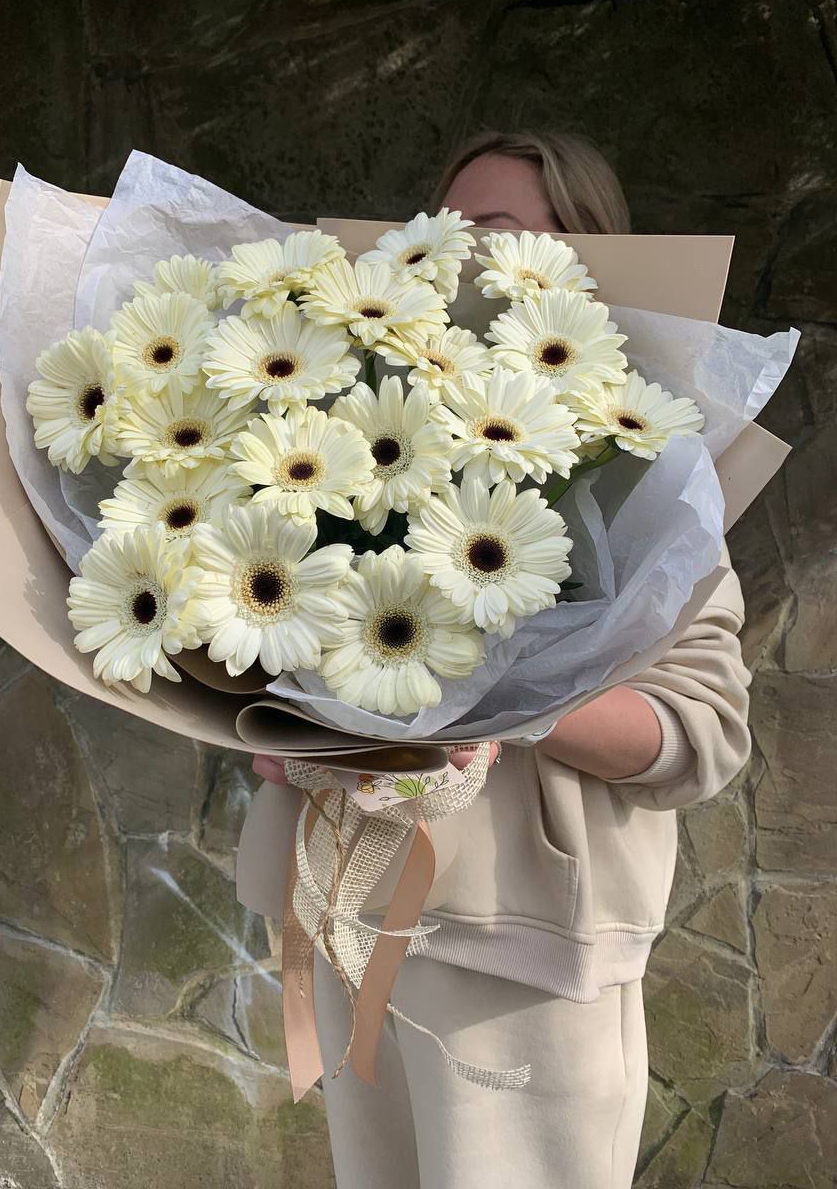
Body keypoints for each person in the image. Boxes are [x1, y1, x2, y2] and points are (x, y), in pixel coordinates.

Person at [237, 130, 751, 1189]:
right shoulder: (348, 445)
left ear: (583, 261)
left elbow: (701, 736)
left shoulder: (653, 481)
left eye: (494, 232)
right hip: (356, 931)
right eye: (442, 232)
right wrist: (295, 719)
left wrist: (503, 697)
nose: (458, 258)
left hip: (527, 974)